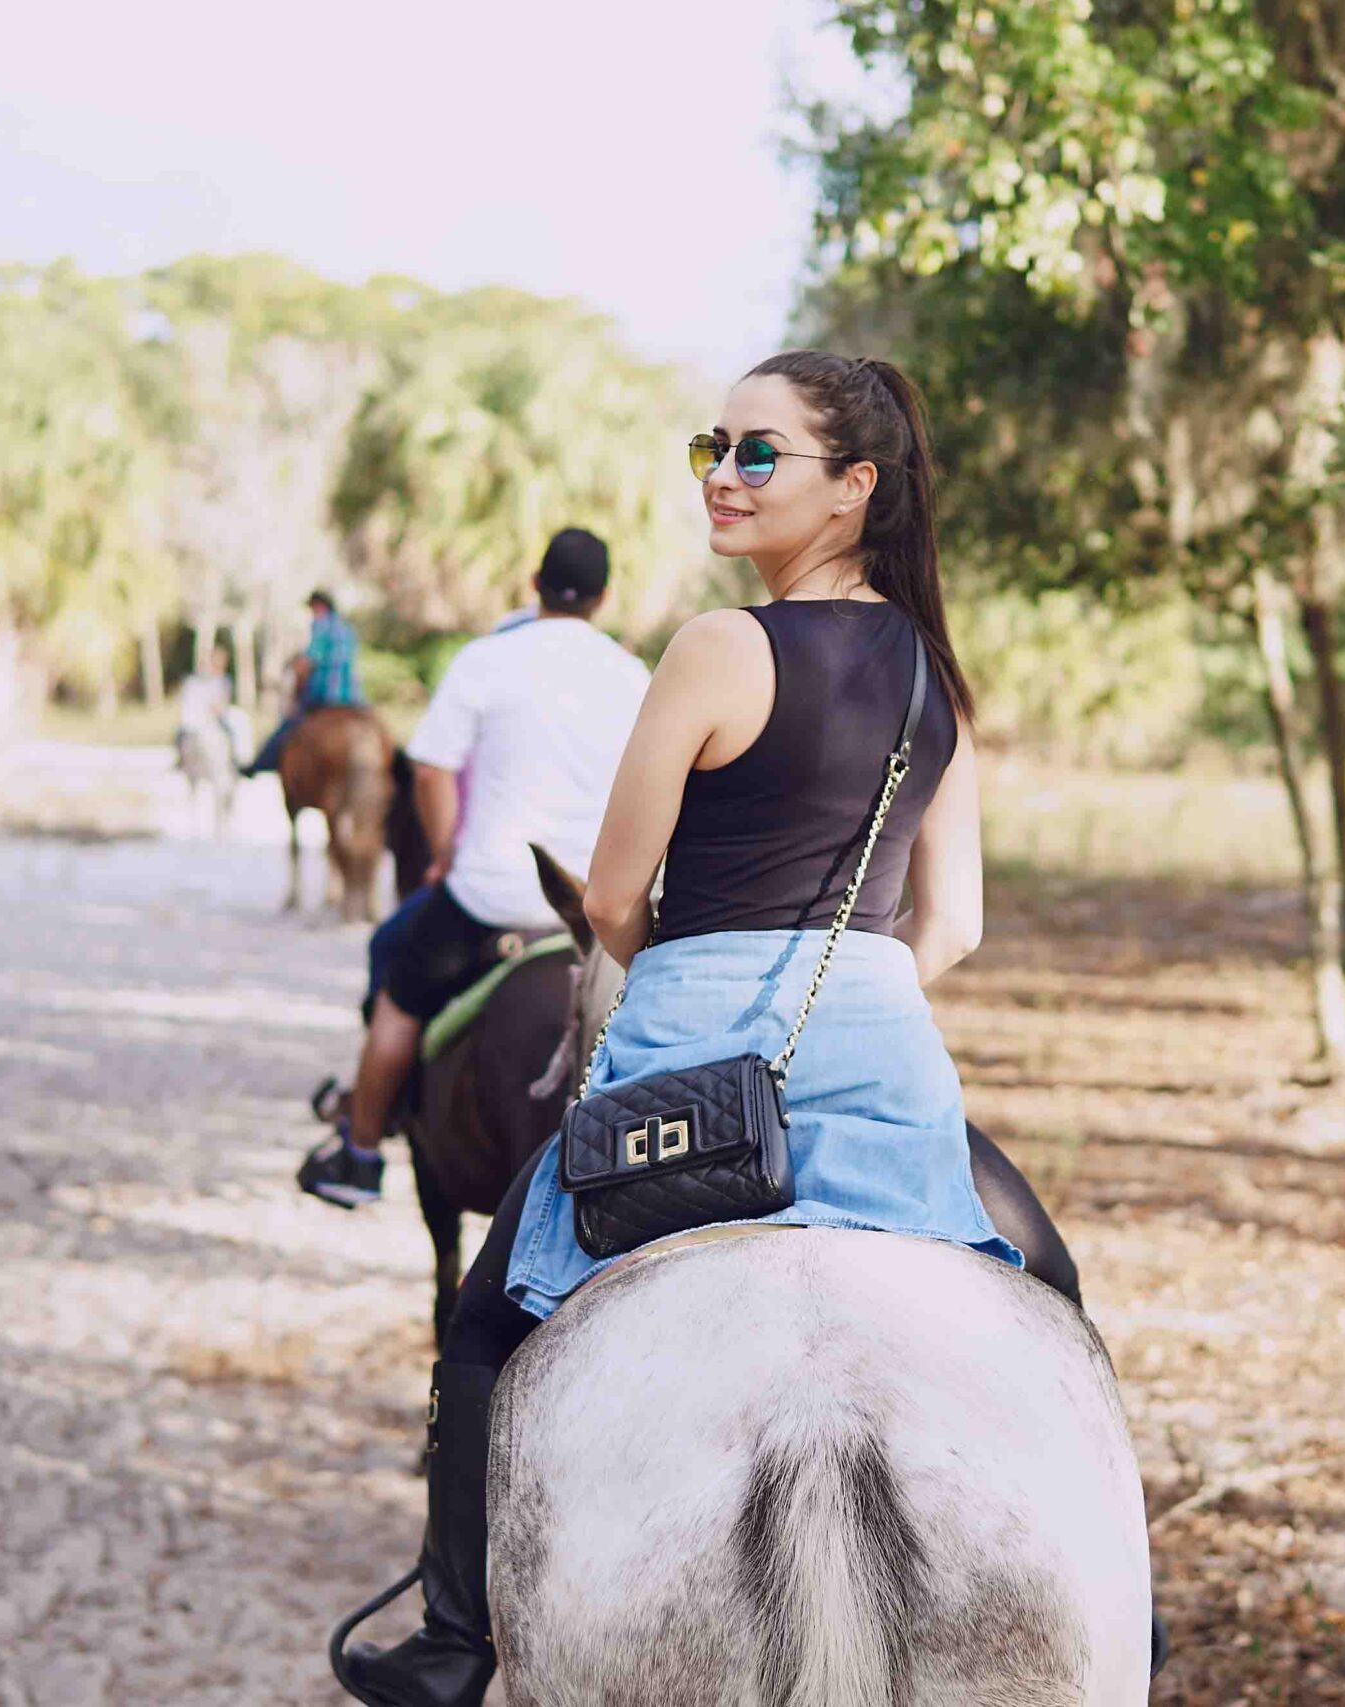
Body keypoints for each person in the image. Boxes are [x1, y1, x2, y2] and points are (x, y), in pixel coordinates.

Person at [326, 351, 1088, 1707]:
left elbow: (614, 893)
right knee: (1054, 1295)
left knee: (490, 1325)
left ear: (854, 487)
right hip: (876, 1047)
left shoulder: (719, 645)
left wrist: (676, 965)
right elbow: (954, 927)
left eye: (758, 453)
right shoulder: (935, 677)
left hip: (691, 1042)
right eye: (711, 447)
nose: (721, 477)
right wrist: (851, 983)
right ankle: (1117, 1626)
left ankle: (452, 1639)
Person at [297, 530, 648, 1211]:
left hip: (491, 897)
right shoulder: (633, 677)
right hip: (592, 910)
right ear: (604, 598)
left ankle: (361, 1149)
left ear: (532, 583)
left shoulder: (487, 661)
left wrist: (446, 852)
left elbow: (430, 768)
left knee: (394, 973)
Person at [242, 590, 367, 777]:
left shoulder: (321, 625)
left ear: (319, 606)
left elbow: (306, 664)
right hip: (353, 696)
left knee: (289, 725)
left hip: (325, 694)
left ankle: (260, 763)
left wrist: (295, 694)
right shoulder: (348, 629)